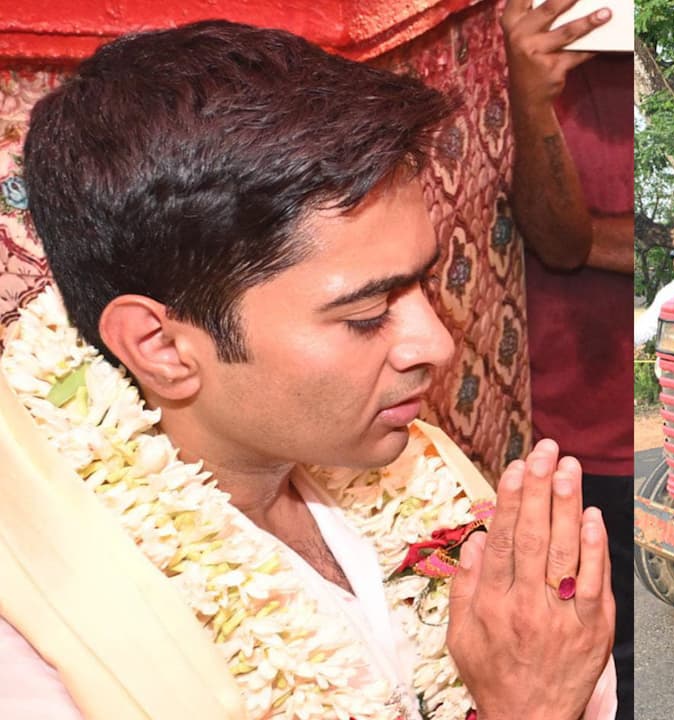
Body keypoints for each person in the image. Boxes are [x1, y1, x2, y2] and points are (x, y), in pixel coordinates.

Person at [6, 20, 614, 719]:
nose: (437, 344)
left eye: (421, 283)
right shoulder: (38, 636)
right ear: (162, 348)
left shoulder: (412, 469)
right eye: (365, 314)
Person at [501, 0, 634, 713]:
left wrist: (593, 241)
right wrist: (531, 100)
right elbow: (559, 238)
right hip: (563, 437)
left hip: (645, 436)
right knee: (584, 657)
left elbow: (573, 240)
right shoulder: (524, 56)